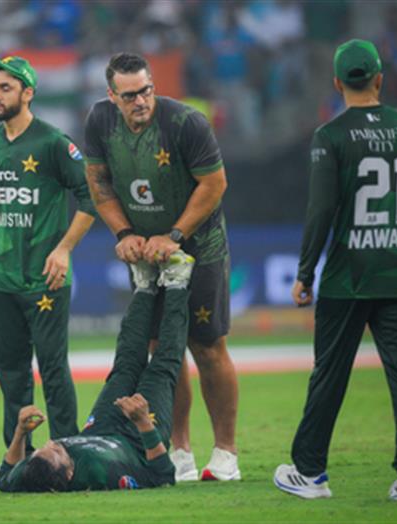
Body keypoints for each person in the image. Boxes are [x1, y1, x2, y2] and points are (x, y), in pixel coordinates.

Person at [273, 39, 397, 501]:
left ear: (337, 82)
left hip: (347, 277)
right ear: (380, 79)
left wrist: (305, 272)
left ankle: (310, 473)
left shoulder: (330, 136)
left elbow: (321, 210)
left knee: (330, 373)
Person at [83, 52, 239, 482]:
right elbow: (98, 184)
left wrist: (173, 236)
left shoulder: (186, 123)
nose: (141, 101)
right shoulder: (99, 122)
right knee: (162, 350)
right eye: (130, 95)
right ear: (112, 96)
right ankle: (180, 450)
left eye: (146, 90)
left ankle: (226, 453)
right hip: (146, 253)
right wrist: (123, 233)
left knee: (207, 346)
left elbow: (215, 184)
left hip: (200, 246)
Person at [0, 56, 96, 481]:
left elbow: (90, 199)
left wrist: (64, 249)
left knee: (52, 368)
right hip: (4, 279)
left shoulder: (53, 143)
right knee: (10, 370)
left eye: (6, 88)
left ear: (28, 93)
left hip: (46, 278)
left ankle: (68, 452)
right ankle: (18, 456)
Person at [0, 252, 194, 492]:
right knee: (162, 368)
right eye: (56, 452)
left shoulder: (30, 472)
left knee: (125, 366)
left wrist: (20, 433)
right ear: (70, 474)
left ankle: (144, 285)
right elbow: (162, 476)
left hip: (101, 425)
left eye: (42, 448)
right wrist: (143, 423)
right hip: (137, 439)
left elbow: (4, 477)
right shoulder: (101, 473)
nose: (51, 444)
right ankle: (177, 283)